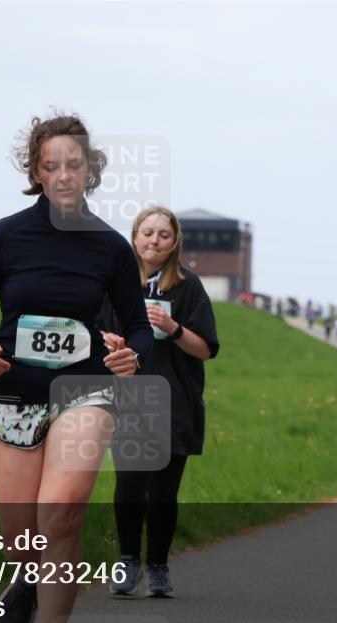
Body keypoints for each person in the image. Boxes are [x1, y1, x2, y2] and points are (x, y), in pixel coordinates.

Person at [0, 113, 154, 623]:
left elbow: (138, 326)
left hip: (84, 390)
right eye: (51, 165)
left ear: (90, 170)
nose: (64, 174)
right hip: (14, 391)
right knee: (23, 537)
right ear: (36, 171)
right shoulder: (5, 236)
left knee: (61, 512)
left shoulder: (111, 247)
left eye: (74, 163)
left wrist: (131, 353)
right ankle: (24, 574)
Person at [97, 206, 220, 599]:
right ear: (135, 237)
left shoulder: (188, 287)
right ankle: (128, 560)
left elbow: (204, 350)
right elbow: (94, 331)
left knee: (163, 491)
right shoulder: (115, 283)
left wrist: (174, 328)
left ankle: (159, 566)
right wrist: (110, 340)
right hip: (128, 397)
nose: (155, 240)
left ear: (175, 242)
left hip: (174, 401)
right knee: (130, 481)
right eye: (147, 233)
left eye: (163, 235)